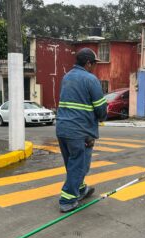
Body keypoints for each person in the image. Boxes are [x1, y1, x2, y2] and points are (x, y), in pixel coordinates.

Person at [56, 48, 107, 213]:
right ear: (87, 63)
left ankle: (81, 188)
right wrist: (101, 116)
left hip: (62, 129)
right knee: (80, 165)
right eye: (93, 64)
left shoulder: (67, 76)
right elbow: (101, 109)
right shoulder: (90, 79)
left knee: (72, 164)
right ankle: (67, 199)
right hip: (80, 131)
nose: (94, 67)